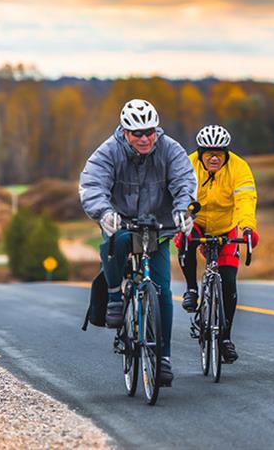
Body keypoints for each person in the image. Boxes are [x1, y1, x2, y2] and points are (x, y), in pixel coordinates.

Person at [79, 99, 196, 386]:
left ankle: (163, 358)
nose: (144, 138)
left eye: (150, 132)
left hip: (157, 224)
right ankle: (116, 296)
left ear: (156, 130)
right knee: (115, 242)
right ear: (125, 132)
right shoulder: (109, 151)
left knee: (163, 290)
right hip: (120, 220)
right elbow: (92, 184)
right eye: (137, 133)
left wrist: (183, 209)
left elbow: (184, 180)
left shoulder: (170, 149)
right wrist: (104, 212)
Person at [175, 124, 259, 364]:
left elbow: (245, 199)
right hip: (197, 220)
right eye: (208, 154)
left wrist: (247, 228)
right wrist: (182, 219)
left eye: (219, 154)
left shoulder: (239, 168)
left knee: (229, 282)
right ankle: (191, 289)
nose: (214, 158)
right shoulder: (187, 164)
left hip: (226, 226)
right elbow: (180, 195)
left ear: (226, 154)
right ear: (200, 154)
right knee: (185, 238)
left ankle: (225, 339)